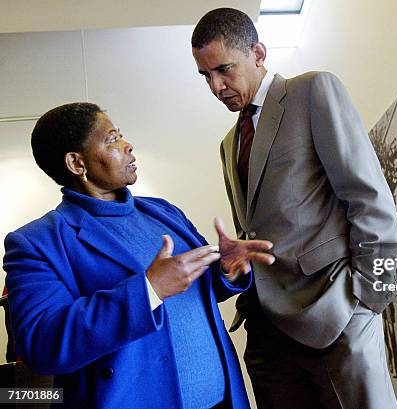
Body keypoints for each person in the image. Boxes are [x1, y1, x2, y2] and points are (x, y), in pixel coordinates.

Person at [191, 8, 397, 409]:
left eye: (224, 70)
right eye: (206, 76)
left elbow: (367, 196)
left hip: (336, 314)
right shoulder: (228, 144)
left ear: (258, 53)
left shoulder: (313, 91)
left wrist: (368, 301)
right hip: (268, 333)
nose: (216, 86)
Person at [3, 102, 275, 409]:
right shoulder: (36, 243)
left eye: (121, 135)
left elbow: (196, 290)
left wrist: (225, 270)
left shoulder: (164, 211)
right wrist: (148, 291)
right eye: (112, 139)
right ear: (77, 163)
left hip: (224, 400)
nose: (128, 145)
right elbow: (43, 344)